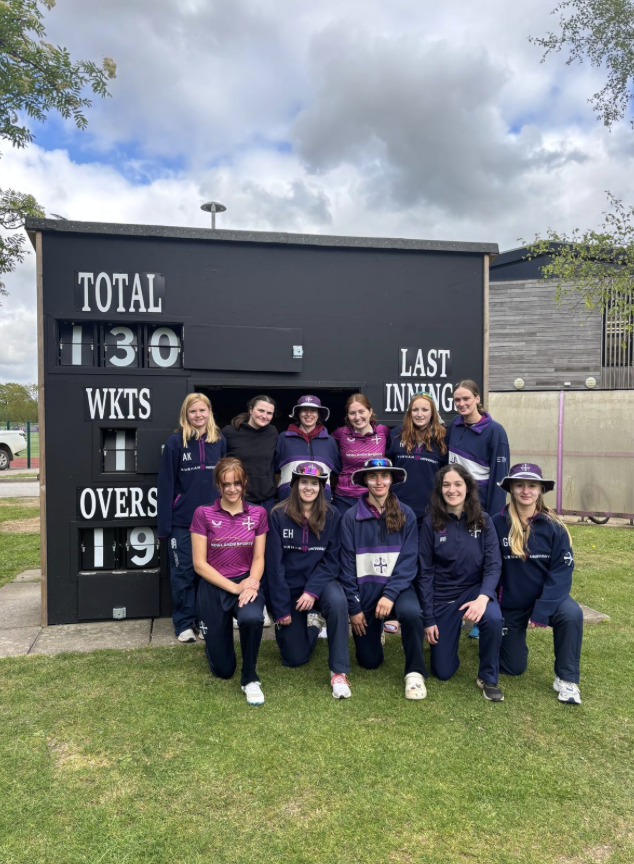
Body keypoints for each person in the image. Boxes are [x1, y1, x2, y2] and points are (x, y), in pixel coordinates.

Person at [492, 463, 583, 705]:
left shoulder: (555, 527)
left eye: (532, 485)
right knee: (513, 667)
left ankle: (566, 679)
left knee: (571, 613)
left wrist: (543, 610)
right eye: (519, 485)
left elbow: (562, 571)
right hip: (510, 604)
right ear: (510, 488)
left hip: (546, 601)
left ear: (540, 489)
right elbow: (489, 567)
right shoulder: (495, 523)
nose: (526, 491)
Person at [339, 458, 428, 700]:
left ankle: (414, 673)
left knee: (411, 613)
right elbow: (346, 566)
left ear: (392, 480)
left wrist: (390, 594)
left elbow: (409, 561)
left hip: (398, 590)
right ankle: (376, 630)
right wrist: (354, 607)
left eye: (384, 476)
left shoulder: (406, 513)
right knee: (370, 662)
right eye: (373, 476)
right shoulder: (350, 517)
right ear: (365, 481)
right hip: (366, 592)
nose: (379, 482)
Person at [264, 462, 352, 698]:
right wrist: (281, 609)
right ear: (295, 484)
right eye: (304, 482)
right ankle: (313, 626)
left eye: (314, 483)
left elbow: (332, 560)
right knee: (294, 658)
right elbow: (274, 567)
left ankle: (339, 672)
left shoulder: (332, 515)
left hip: (319, 585)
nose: (309, 488)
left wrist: (312, 591)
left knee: (338, 602)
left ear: (321, 487)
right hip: (289, 590)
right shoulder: (277, 514)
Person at [418, 464, 504, 701]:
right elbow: (425, 573)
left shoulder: (484, 520)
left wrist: (483, 598)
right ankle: (450, 640)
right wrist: (429, 618)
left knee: (493, 619)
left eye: (458, 484)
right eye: (446, 485)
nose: (452, 490)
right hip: (443, 596)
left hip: (475, 591)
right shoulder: (430, 523)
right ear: (439, 489)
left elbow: (493, 565)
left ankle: (488, 677)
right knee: (443, 672)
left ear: (468, 487)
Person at [190, 457, 269, 705]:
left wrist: (252, 582)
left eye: (237, 483)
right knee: (223, 670)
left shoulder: (258, 513)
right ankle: (215, 643)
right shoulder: (203, 513)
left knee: (252, 618)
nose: (232, 489)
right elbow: (199, 564)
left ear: (244, 483)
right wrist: (235, 587)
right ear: (219, 485)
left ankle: (250, 678)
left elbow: (259, 557)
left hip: (246, 583)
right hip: (214, 587)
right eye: (226, 484)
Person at [158, 393, 226, 643]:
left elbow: (226, 481)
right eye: (193, 411)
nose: (198, 415)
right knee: (183, 572)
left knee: (210, 574)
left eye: (202, 410)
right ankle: (185, 624)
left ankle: (206, 622)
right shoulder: (175, 442)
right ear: (185, 414)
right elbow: (166, 484)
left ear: (209, 412)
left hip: (214, 522)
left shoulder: (219, 440)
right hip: (182, 522)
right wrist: (165, 526)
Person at [445, 379, 510, 640]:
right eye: (457, 400)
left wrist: (493, 517)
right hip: (454, 508)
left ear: (477, 399)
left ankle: (484, 615)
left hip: (481, 509)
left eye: (466, 399)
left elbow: (500, 479)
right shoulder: (454, 425)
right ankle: (460, 610)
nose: (461, 404)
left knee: (487, 561)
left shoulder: (495, 431)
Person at [387, 393, 447, 529]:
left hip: (431, 512)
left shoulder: (443, 438)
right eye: (415, 410)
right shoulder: (396, 435)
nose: (419, 414)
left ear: (433, 412)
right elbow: (388, 471)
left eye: (425, 410)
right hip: (398, 510)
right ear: (409, 412)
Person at [332, 394, 390, 516]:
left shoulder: (383, 432)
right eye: (352, 413)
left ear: (370, 411)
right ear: (347, 415)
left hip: (374, 496)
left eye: (361, 411)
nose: (357, 417)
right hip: (344, 498)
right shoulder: (341, 433)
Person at [275, 395, 341, 502]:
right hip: (288, 501)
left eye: (313, 410)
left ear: (319, 414)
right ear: (298, 414)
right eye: (304, 410)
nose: (308, 414)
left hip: (320, 502)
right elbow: (273, 467)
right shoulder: (283, 438)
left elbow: (337, 470)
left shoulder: (330, 441)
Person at [222, 395, 278, 514]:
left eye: (269, 413)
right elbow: (219, 463)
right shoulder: (230, 432)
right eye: (261, 410)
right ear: (251, 410)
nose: (264, 416)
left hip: (266, 499)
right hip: (237, 497)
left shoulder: (272, 432)